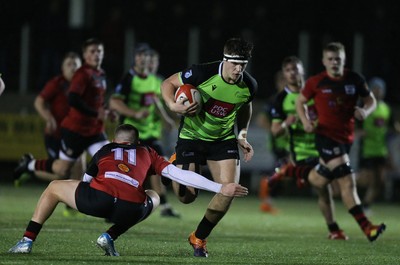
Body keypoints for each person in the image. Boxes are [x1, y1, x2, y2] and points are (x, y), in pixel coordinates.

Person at [8, 124, 248, 255]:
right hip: (130, 208)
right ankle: (109, 236)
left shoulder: (104, 150)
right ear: (137, 141)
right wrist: (219, 187)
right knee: (153, 196)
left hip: (97, 199)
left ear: (115, 139)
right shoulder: (148, 152)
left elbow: (85, 181)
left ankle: (26, 242)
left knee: (53, 188)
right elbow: (178, 174)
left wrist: (90, 201)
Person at [160, 37, 256, 257]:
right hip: (191, 136)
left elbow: (245, 106)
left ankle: (199, 237)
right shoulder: (202, 73)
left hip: (223, 140)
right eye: (234, 63)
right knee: (187, 197)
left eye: (243, 64)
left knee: (229, 190)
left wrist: (242, 135)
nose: (238, 69)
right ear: (225, 59)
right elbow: (168, 83)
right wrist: (173, 105)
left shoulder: (249, 85)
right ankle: (173, 163)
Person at [295, 42, 386, 242]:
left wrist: (365, 111)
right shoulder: (316, 82)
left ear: (344, 61)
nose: (334, 62)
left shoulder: (354, 79)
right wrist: (305, 121)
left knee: (320, 182)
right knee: (347, 180)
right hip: (326, 137)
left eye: (338, 59)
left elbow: (371, 100)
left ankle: (333, 227)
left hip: (346, 140)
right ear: (323, 61)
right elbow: (299, 101)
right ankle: (367, 227)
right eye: (330, 59)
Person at [267, 56, 347, 239]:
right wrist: (287, 123)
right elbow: (275, 131)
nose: (292, 73)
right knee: (327, 185)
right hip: (302, 152)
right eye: (288, 70)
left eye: (295, 69)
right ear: (284, 75)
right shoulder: (281, 99)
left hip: (323, 146)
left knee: (326, 190)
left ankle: (334, 230)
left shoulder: (317, 92)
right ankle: (292, 172)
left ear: (302, 70)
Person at [14, 38, 110, 184]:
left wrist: (107, 111)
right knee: (62, 172)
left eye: (99, 51)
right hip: (71, 131)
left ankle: (87, 199)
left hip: (94, 130)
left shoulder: (100, 73)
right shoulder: (78, 76)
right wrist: (49, 118)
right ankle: (29, 165)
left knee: (109, 160)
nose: (97, 54)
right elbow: (72, 99)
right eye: (93, 51)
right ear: (85, 55)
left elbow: (97, 101)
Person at [109, 43, 179, 217]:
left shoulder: (156, 81)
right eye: (141, 57)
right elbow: (114, 102)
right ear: (135, 58)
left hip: (150, 134)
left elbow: (157, 104)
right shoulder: (129, 79)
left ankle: (164, 206)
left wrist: (166, 119)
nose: (144, 61)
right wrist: (134, 113)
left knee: (158, 167)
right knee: (123, 169)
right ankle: (113, 204)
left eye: (147, 58)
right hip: (130, 134)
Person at [357, 77, 394, 213]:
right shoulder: (365, 106)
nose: (378, 91)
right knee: (370, 180)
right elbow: (357, 126)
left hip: (381, 150)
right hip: (368, 150)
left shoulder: (386, 109)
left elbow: (390, 127)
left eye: (380, 89)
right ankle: (347, 182)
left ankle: (365, 205)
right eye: (376, 88)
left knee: (381, 182)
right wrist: (360, 133)